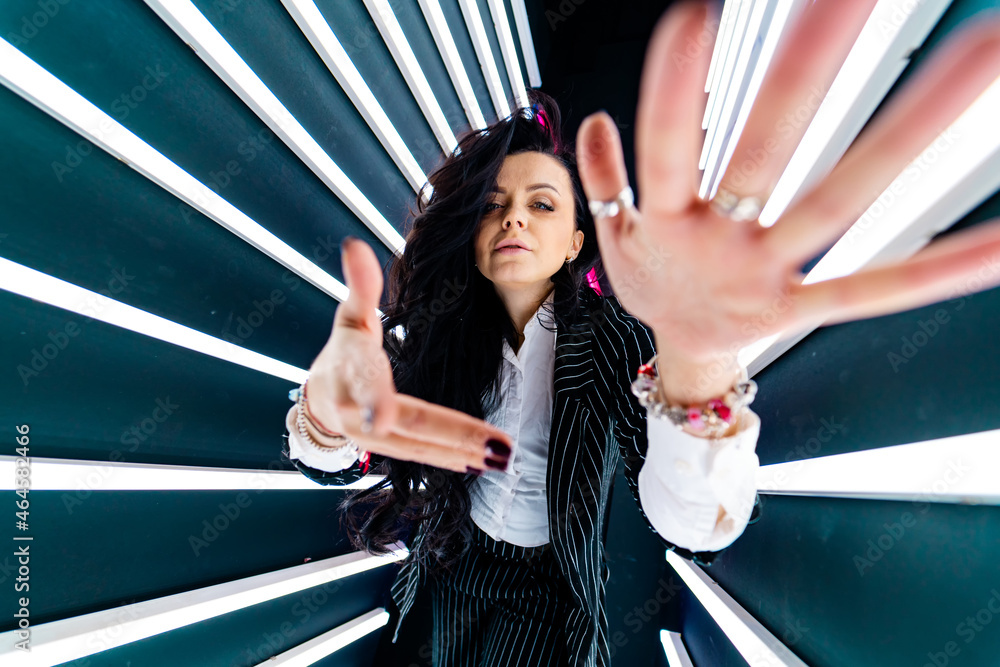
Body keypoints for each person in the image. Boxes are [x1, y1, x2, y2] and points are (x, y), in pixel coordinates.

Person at [282, 3, 1000, 665]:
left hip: (547, 597)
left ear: (573, 243)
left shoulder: (609, 337)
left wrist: (697, 357)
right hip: (441, 574)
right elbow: (344, 448)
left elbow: (694, 525)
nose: (515, 220)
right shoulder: (443, 329)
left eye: (541, 202)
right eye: (494, 204)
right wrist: (322, 419)